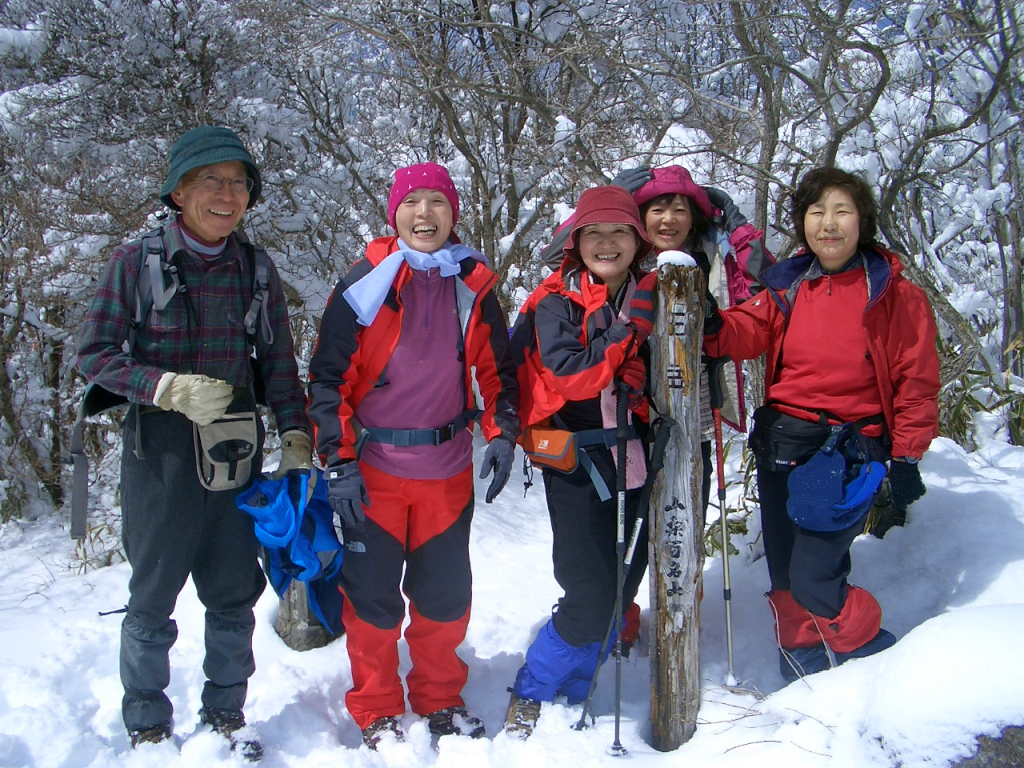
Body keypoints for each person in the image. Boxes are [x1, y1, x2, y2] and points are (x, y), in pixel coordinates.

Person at [76, 126, 313, 759]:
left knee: (234, 594)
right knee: (152, 597)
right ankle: (148, 723)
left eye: (238, 183)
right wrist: (164, 387)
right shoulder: (136, 262)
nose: (226, 194)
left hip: (234, 453)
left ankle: (226, 716)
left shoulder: (257, 271)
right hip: (158, 457)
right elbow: (93, 356)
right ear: (179, 190)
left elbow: (281, 367)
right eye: (211, 180)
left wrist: (294, 433)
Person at [307, 162, 519, 749]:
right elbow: (327, 381)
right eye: (412, 203)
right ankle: (376, 706)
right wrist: (338, 458)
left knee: (445, 599)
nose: (424, 214)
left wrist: (503, 433)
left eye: (437, 203)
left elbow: (498, 371)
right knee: (372, 602)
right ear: (394, 213)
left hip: (446, 473)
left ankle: (439, 698)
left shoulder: (471, 284)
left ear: (453, 215)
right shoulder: (364, 285)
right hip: (373, 476)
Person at [703, 166, 940, 681]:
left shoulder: (896, 296)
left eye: (841, 212)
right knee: (786, 571)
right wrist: (711, 323)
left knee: (813, 576)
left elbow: (916, 382)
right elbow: (745, 331)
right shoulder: (790, 286)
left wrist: (907, 456)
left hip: (850, 449)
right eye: (816, 212)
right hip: (784, 441)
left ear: (863, 221)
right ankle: (804, 659)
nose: (828, 224)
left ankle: (875, 652)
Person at [540, 165, 773, 649]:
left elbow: (754, 325)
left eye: (679, 207)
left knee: (677, 522)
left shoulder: (712, 263)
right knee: (624, 538)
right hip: (632, 425)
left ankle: (677, 623)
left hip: (693, 416)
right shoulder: (605, 281)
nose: (668, 218)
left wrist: (713, 325)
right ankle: (612, 623)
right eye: (656, 209)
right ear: (640, 220)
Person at [502, 185, 657, 737]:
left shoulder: (657, 292)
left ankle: (575, 684)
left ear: (637, 242)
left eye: (620, 232)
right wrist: (626, 335)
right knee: (588, 587)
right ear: (576, 242)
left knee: (624, 581)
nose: (608, 243)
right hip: (575, 461)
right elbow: (570, 374)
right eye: (595, 233)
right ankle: (534, 686)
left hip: (635, 454)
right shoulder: (556, 301)